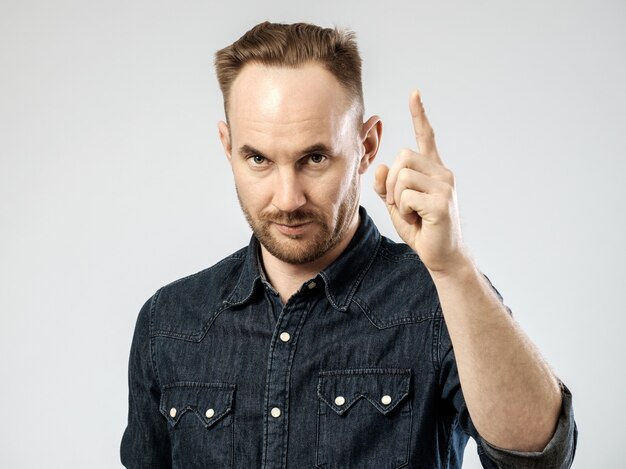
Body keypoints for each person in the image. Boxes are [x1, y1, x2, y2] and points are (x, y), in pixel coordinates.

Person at [121, 21, 577, 468]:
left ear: (368, 144)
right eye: (258, 158)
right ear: (228, 146)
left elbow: (540, 459)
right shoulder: (169, 322)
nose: (287, 199)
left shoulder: (439, 298)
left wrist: (453, 267)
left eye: (315, 158)